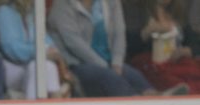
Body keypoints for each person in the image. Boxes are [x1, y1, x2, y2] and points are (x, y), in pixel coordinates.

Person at [47, 0, 187, 97]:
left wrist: (117, 62)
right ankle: (139, 102)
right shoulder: (62, 5)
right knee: (111, 78)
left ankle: (156, 96)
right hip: (78, 64)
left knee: (133, 74)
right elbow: (74, 43)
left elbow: (119, 32)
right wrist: (104, 66)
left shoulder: (110, 2)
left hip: (109, 62)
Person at [0, 0, 73, 99]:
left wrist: (51, 51)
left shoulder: (30, 14)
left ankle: (52, 103)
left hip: (30, 64)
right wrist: (41, 52)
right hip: (11, 67)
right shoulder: (3, 13)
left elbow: (46, 40)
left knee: (46, 66)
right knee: (37, 67)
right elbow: (12, 49)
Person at [125, 0, 200, 94]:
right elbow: (126, 45)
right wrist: (147, 31)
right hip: (150, 64)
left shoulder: (178, 13)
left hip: (177, 63)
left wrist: (187, 50)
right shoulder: (135, 9)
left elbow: (195, 42)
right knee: (168, 79)